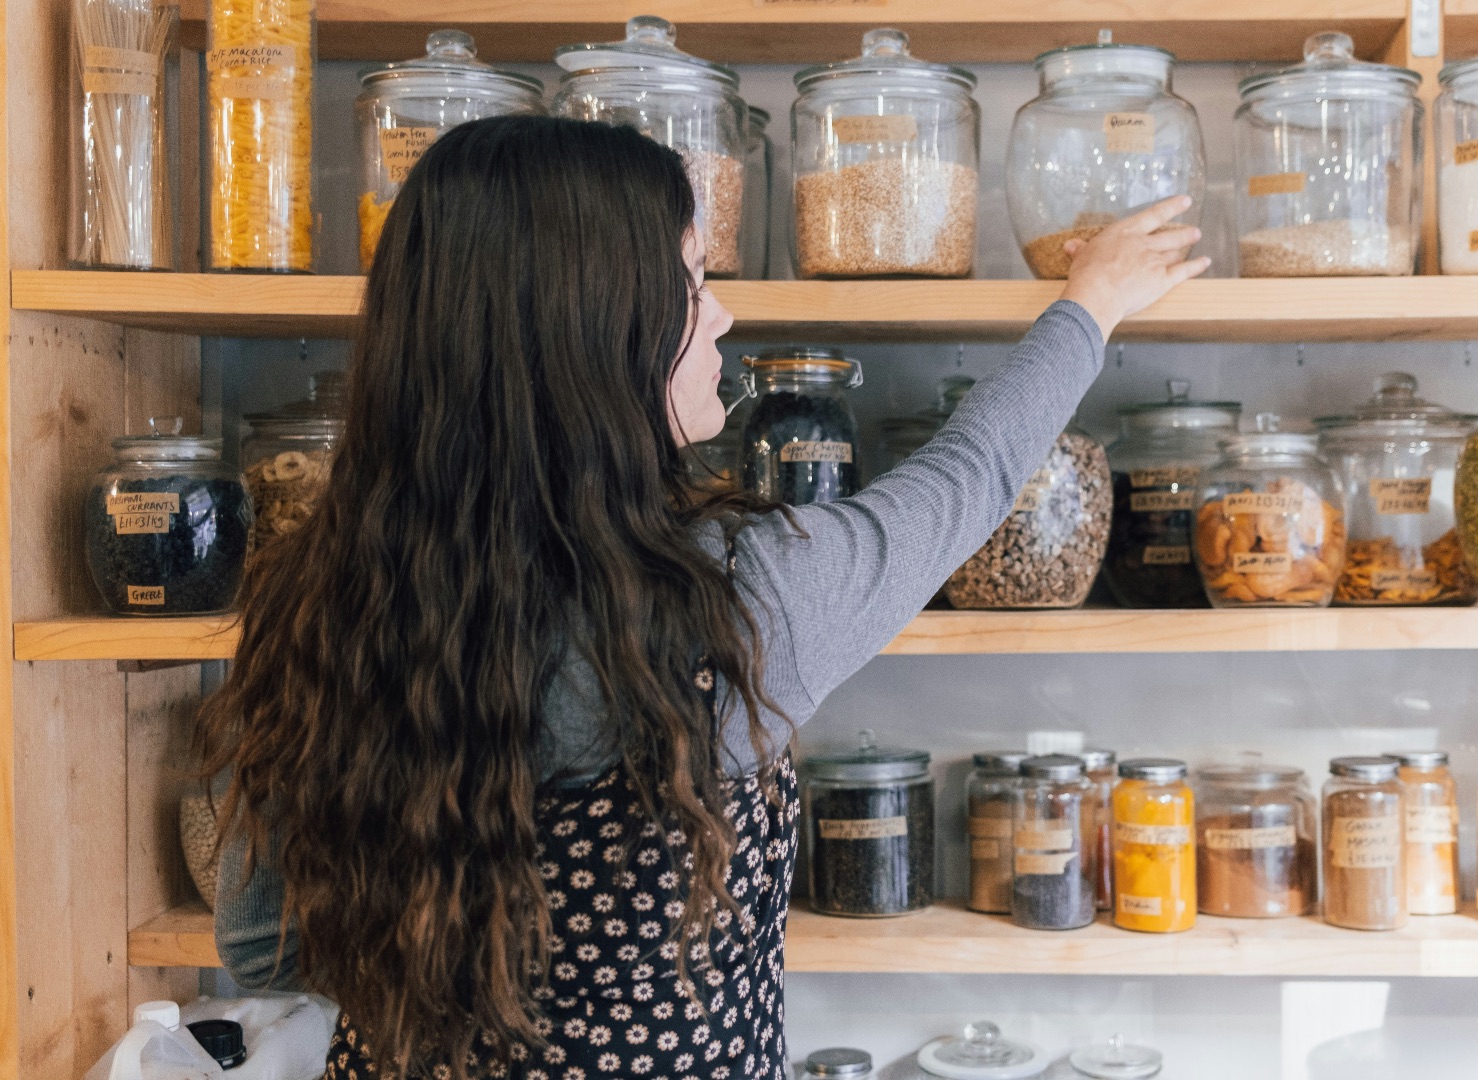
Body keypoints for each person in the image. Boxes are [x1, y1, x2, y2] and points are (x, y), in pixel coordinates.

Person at [199, 114, 1205, 1080]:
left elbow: (261, 949)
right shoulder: (732, 600)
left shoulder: (317, 595)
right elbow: (967, 483)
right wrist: (1091, 306)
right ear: (599, 333)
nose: (720, 312)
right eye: (691, 282)